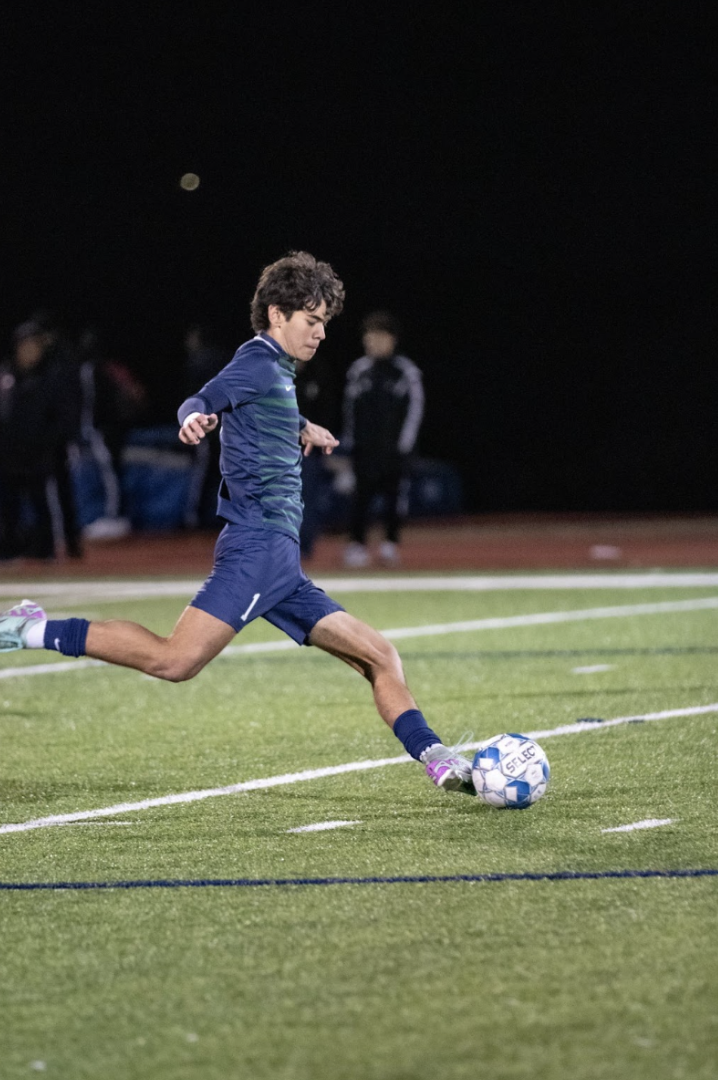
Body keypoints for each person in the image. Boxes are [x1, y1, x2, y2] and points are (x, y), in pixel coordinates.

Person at [0, 252, 471, 795]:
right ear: (277, 314)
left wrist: (301, 426)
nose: (320, 334)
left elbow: (259, 408)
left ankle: (439, 760)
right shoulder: (256, 360)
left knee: (380, 655)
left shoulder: (277, 372)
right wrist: (194, 418)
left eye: (324, 323)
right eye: (311, 321)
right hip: (255, 550)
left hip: (280, 565)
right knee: (173, 660)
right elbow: (204, 398)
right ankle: (29, 629)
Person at [342, 311, 424, 568]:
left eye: (379, 337)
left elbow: (414, 410)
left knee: (394, 499)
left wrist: (404, 447)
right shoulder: (359, 371)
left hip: (394, 452)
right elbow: (349, 411)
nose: (373, 342)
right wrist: (350, 444)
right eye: (370, 337)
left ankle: (390, 545)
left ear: (392, 339)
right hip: (364, 451)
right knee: (360, 499)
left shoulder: (406, 372)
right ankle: (357, 545)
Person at [0, 319, 79, 560]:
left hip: (45, 453)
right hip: (11, 454)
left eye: (32, 345)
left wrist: (51, 443)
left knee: (48, 502)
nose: (28, 352)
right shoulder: (8, 376)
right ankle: (10, 549)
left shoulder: (54, 376)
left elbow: (65, 416)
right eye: (23, 346)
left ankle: (54, 549)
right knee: (8, 504)